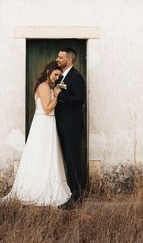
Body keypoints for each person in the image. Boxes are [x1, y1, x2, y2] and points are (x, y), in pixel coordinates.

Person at [5, 61, 71, 206]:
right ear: (48, 71)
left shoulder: (48, 86)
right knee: (42, 153)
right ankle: (37, 189)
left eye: (59, 75)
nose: (57, 77)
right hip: (44, 123)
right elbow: (47, 108)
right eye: (55, 74)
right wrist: (57, 95)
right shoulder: (44, 86)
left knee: (46, 154)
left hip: (47, 123)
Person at [55, 47, 86, 207]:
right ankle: (70, 193)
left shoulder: (76, 77)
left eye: (60, 57)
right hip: (62, 126)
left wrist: (60, 95)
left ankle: (77, 197)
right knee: (68, 160)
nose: (57, 59)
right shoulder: (61, 77)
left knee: (73, 161)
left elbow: (79, 99)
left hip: (72, 126)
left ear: (69, 60)